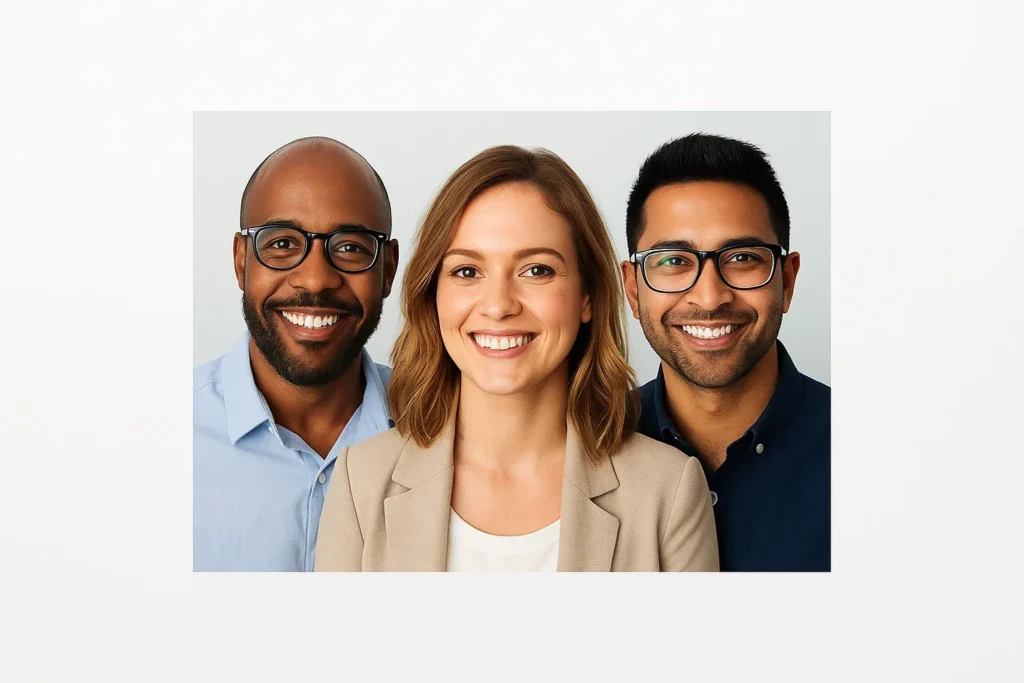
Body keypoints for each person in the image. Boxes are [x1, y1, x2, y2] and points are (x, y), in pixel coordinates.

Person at [314, 145, 718, 572]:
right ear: (432, 294)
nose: (499, 305)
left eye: (536, 270)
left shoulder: (668, 491)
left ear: (587, 296)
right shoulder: (360, 482)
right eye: (467, 271)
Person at [622, 133, 830, 571]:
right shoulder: (585, 447)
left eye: (742, 258)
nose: (710, 297)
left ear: (787, 281)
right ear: (633, 289)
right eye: (673, 261)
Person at [193, 137, 400, 571]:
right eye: (283, 244)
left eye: (350, 247)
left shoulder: (445, 429)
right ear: (241, 261)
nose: (315, 279)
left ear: (388, 269)